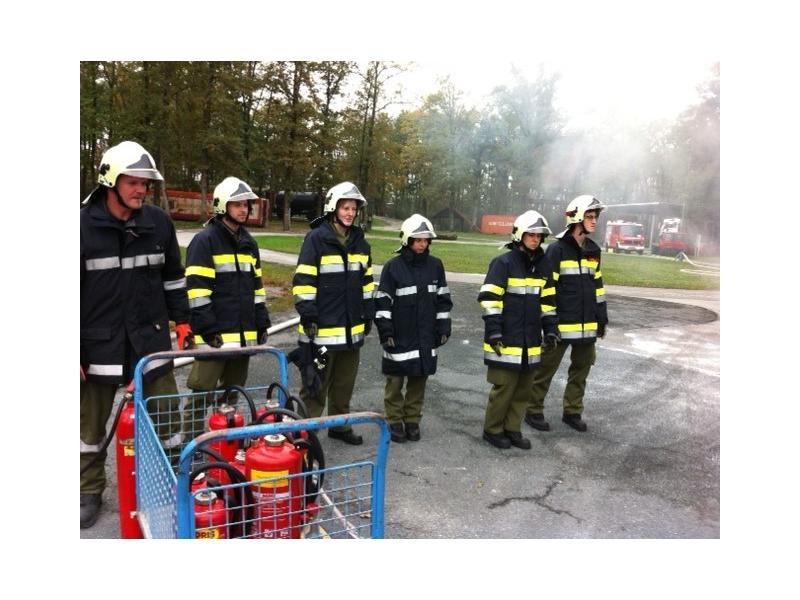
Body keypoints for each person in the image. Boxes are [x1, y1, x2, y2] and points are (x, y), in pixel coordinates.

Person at [80, 140, 192, 528]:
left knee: (166, 416)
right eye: (133, 182)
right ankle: (89, 489)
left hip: (150, 340)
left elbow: (174, 278)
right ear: (110, 181)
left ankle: (171, 477)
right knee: (90, 428)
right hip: (97, 343)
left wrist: (182, 321)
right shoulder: (78, 227)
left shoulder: (158, 223)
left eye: (145, 183)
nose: (141, 189)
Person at [183, 176, 271, 437]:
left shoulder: (249, 243)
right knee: (201, 393)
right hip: (215, 338)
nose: (243, 210)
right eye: (237, 205)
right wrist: (208, 330)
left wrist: (261, 323)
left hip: (242, 338)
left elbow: (257, 289)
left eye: (246, 205)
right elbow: (197, 292)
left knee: (231, 397)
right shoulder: (205, 241)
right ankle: (189, 445)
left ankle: (222, 444)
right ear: (222, 206)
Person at [292, 181, 375, 445]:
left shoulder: (361, 243)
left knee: (343, 384)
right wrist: (308, 315)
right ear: (333, 208)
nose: (350, 213)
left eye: (353, 209)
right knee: (315, 385)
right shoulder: (316, 239)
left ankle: (339, 426)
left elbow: (367, 283)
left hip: (351, 332)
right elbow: (303, 280)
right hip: (321, 333)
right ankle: (304, 434)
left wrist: (368, 312)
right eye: (345, 207)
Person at [524, 195, 608, 432]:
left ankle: (572, 411)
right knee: (544, 370)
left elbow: (597, 286)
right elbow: (547, 289)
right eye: (589, 216)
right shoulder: (557, 250)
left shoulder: (594, 250)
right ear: (576, 218)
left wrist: (601, 317)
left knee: (581, 370)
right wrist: (549, 323)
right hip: (561, 325)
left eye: (595, 217)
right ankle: (533, 410)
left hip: (587, 324)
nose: (594, 221)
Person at [478, 211, 557, 450]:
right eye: (531, 234)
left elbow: (548, 302)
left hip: (530, 340)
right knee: (504, 388)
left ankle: (513, 429)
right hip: (505, 339)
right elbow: (490, 300)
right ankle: (493, 430)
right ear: (519, 235)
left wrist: (550, 330)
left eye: (539, 236)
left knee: (523, 389)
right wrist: (494, 332)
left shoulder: (543, 265)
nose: (535, 239)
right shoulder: (503, 263)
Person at [375, 214, 452, 443]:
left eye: (426, 240)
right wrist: (386, 331)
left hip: (425, 335)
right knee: (395, 382)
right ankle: (394, 420)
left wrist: (443, 326)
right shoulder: (393, 267)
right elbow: (382, 301)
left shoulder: (435, 266)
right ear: (407, 240)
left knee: (419, 380)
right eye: (418, 240)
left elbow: (443, 300)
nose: (422, 244)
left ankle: (412, 420)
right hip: (400, 334)